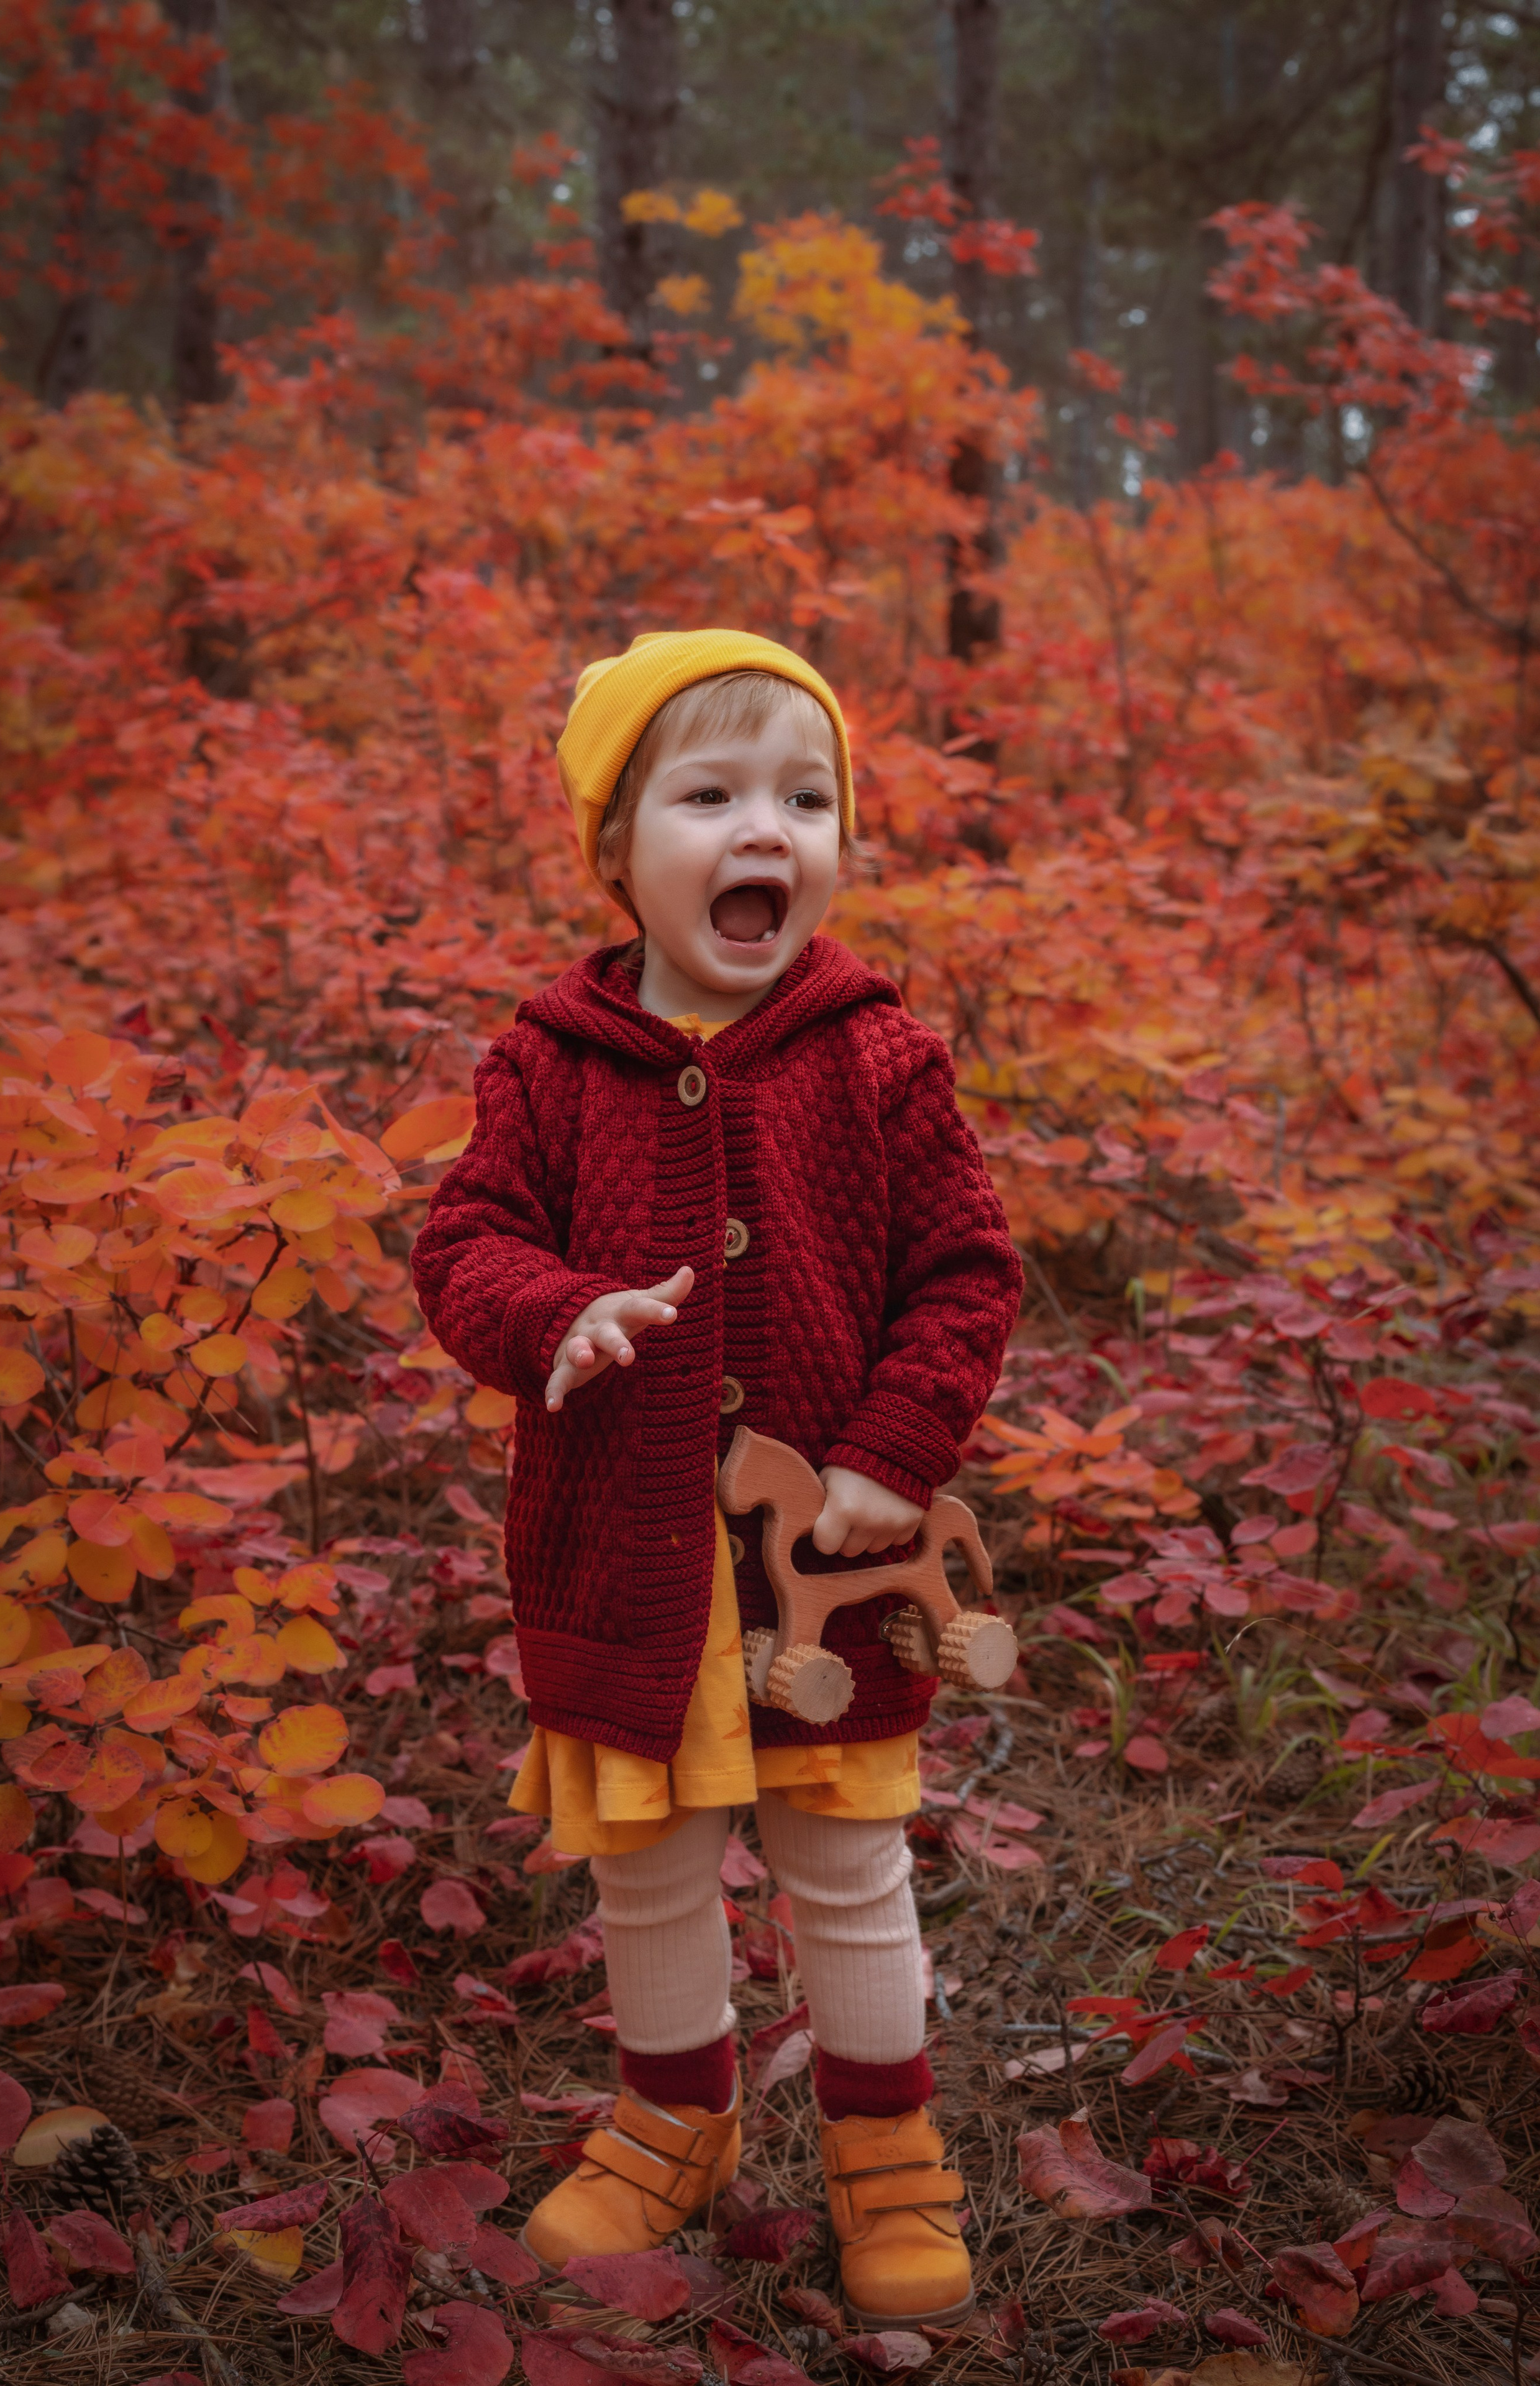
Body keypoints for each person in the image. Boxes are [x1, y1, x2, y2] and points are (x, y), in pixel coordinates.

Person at [411, 628, 1022, 2326]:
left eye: (805, 799)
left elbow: (966, 1276)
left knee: (847, 1861)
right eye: (711, 794)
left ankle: (886, 2146)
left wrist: (895, 1455)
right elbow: (462, 1243)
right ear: (618, 852)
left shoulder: (880, 1055)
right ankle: (675, 2114)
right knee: (653, 1858)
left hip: (829, 1565)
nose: (767, 829)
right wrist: (555, 1313)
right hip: (624, 1549)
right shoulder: (549, 1058)